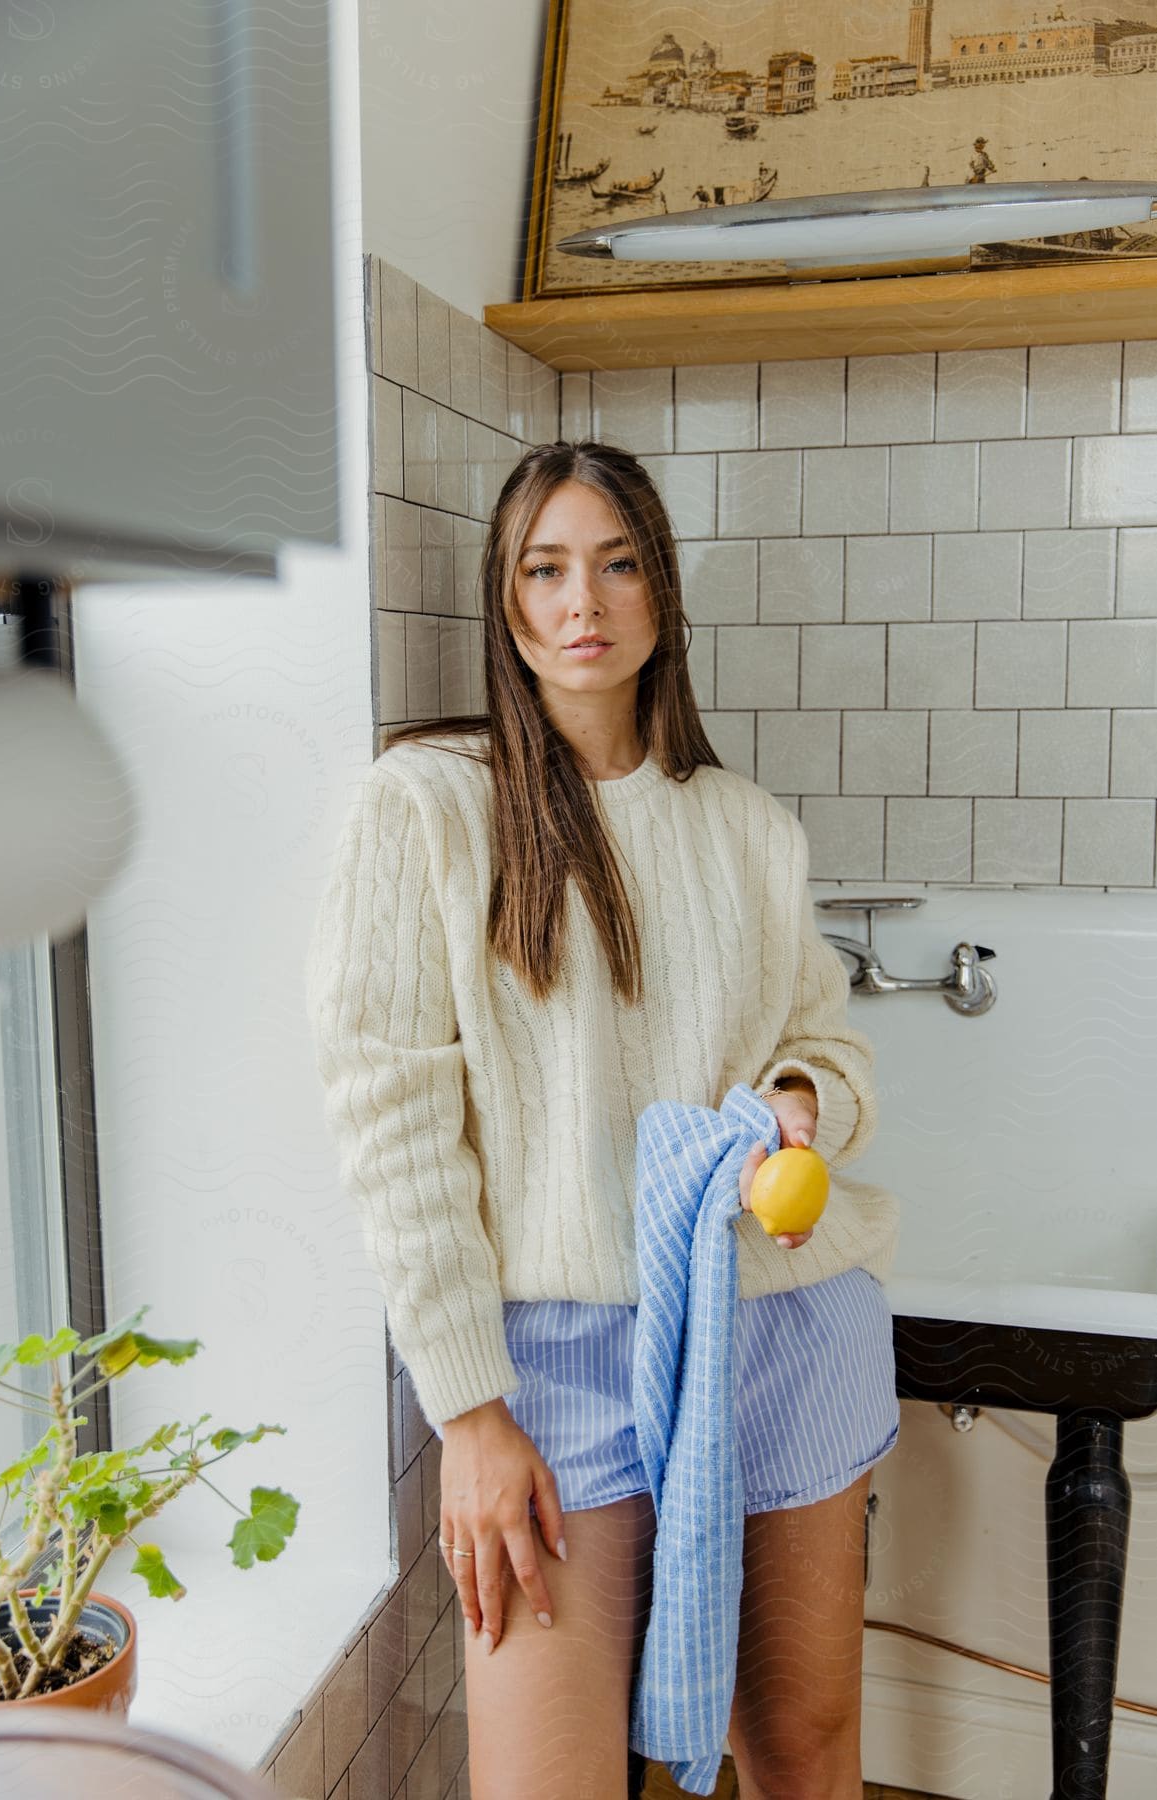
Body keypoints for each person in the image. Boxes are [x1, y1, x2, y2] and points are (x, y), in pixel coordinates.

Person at [305, 440, 901, 1799]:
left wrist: (800, 1105)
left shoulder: (746, 829)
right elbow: (390, 1121)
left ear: (661, 594)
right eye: (546, 568)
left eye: (619, 563)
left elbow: (830, 1046)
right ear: (504, 601)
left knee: (802, 1750)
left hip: (781, 1318)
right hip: (552, 1360)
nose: (586, 601)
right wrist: (466, 1410)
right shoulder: (425, 809)